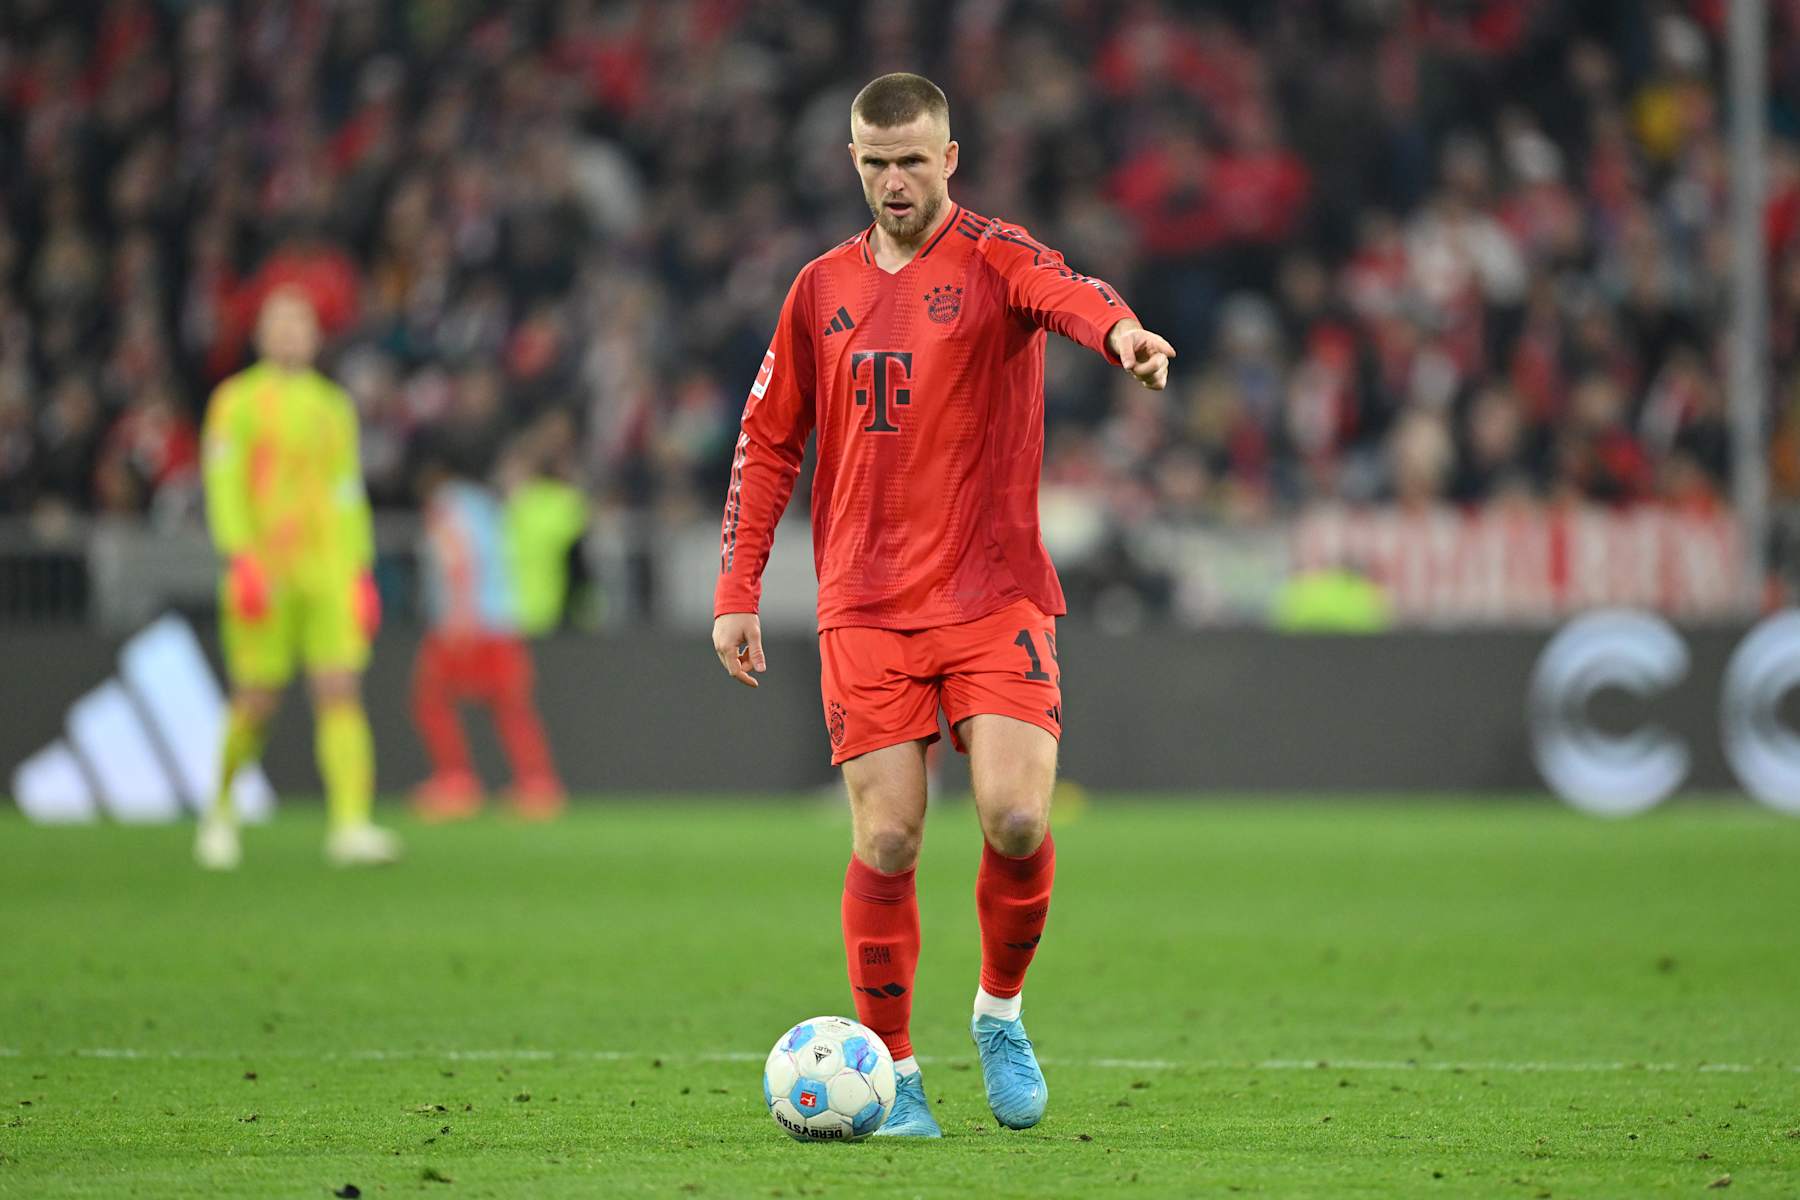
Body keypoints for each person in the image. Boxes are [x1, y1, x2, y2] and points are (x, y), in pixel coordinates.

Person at [710, 73, 1174, 1137]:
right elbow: (770, 437)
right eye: (876, 164)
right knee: (889, 843)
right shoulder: (817, 287)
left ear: (950, 158)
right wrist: (739, 586)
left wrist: (1125, 338)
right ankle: (899, 1071)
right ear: (854, 165)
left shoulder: (996, 257)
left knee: (1016, 817)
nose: (895, 181)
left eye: (914, 160)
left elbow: (1074, 295)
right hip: (865, 607)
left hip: (991, 590)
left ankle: (999, 1014)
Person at [194, 287, 400, 869]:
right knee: (256, 700)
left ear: (314, 336)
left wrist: (359, 570)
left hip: (328, 570)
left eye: (299, 324)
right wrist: (242, 558)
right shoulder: (235, 402)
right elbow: (224, 485)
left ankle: (351, 825)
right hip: (265, 569)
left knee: (339, 689)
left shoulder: (334, 406)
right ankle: (220, 809)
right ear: (261, 334)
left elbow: (346, 491)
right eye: (279, 324)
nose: (289, 335)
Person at [411, 446, 566, 820]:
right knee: (509, 704)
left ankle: (456, 780)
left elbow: (459, 558)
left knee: (430, 699)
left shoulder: (447, 505)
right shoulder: (486, 505)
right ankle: (537, 785)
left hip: (468, 620)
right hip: (502, 618)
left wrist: (459, 615)